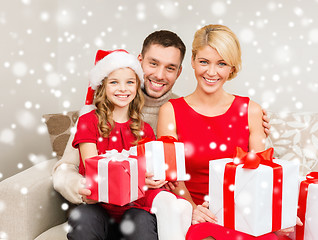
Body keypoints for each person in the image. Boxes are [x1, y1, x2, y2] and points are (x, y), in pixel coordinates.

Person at [52, 30, 271, 239]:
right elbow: (67, 168)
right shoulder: (97, 113)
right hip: (98, 206)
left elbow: (253, 159)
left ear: (180, 71)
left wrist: (260, 129)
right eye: (153, 63)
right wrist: (85, 190)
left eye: (170, 68)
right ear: (139, 61)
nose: (159, 75)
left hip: (142, 210)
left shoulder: (175, 110)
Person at [157, 24, 300, 240]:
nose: (211, 72)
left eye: (221, 64)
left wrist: (275, 217)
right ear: (193, 62)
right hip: (201, 216)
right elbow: (173, 178)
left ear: (231, 68)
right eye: (204, 62)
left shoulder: (251, 110)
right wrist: (193, 208)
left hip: (245, 217)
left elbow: (260, 177)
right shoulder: (170, 111)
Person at [67, 49, 192, 239]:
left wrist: (156, 179)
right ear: (102, 86)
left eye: (130, 82)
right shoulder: (88, 122)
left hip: (133, 208)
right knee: (83, 217)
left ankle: (170, 207)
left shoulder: (144, 130)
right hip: (98, 206)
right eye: (114, 82)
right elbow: (97, 171)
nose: (123, 89)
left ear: (137, 86)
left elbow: (147, 175)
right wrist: (139, 179)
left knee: (142, 220)